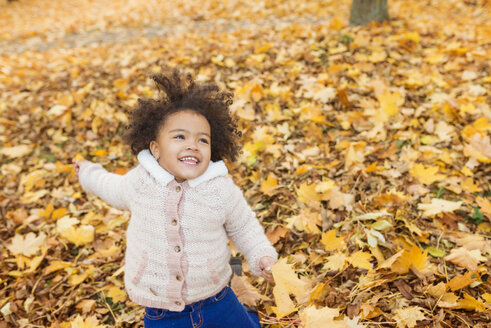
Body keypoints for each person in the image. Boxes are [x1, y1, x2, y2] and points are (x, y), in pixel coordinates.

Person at [74, 67, 278, 327]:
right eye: (180, 137)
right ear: (156, 149)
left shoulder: (220, 189)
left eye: (202, 140)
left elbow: (243, 227)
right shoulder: (141, 183)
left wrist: (262, 256)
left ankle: (248, 310)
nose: (192, 144)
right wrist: (88, 172)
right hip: (161, 311)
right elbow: (109, 186)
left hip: (217, 299)